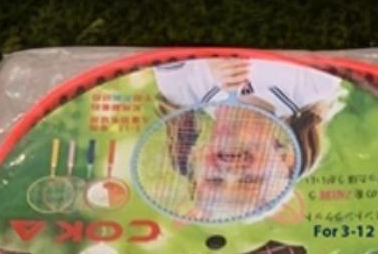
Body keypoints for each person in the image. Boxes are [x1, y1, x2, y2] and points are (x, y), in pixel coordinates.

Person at [146, 56, 344, 221]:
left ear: (195, 159)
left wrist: (207, 57)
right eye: (250, 180)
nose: (231, 172)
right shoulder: (315, 87)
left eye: (214, 180)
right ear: (285, 160)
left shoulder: (181, 91)